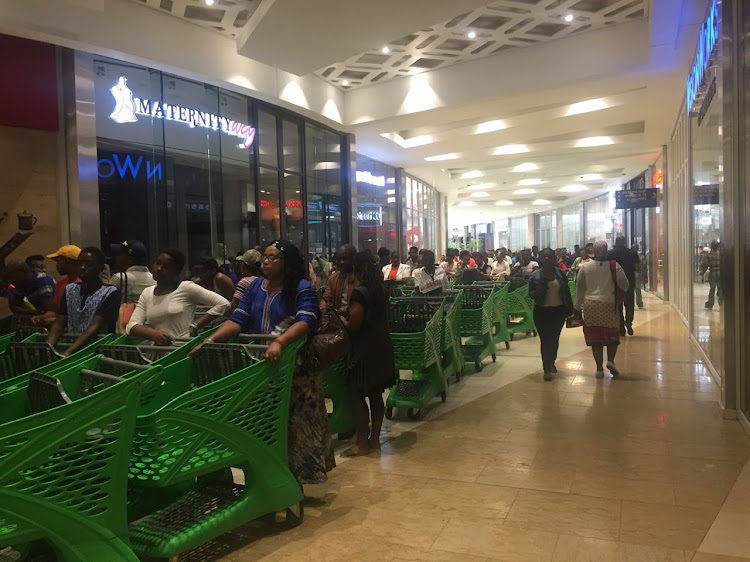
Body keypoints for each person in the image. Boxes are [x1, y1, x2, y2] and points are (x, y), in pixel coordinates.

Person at [189, 240, 333, 485]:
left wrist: (280, 342)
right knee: (267, 423)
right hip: (260, 367)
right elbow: (238, 319)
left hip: (294, 368)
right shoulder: (255, 286)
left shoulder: (301, 288)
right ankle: (271, 476)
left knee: (298, 423)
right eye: (265, 257)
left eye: (273, 258)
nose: (266, 262)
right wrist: (210, 340)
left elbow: (306, 320)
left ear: (287, 263)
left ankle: (298, 477)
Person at [342, 252, 396, 456]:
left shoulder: (359, 292)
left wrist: (343, 320)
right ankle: (374, 439)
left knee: (356, 395)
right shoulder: (379, 289)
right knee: (375, 395)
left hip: (364, 351)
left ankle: (361, 443)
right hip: (381, 347)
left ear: (357, 269)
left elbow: (355, 325)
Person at [127, 248, 229, 344]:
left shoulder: (186, 288)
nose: (159, 268)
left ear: (177, 271)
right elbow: (131, 326)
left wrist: (196, 325)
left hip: (182, 351)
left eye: (166, 267)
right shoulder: (147, 293)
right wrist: (152, 334)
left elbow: (223, 304)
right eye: (158, 263)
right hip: (159, 353)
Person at [46, 247, 120, 356]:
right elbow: (59, 323)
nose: (82, 267)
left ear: (100, 268)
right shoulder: (70, 289)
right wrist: (47, 349)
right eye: (79, 263)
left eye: (88, 264)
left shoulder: (110, 292)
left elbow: (95, 325)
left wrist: (69, 352)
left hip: (96, 352)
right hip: (72, 347)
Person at [574, 241, 629, 379]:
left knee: (595, 337)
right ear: (607, 250)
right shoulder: (615, 266)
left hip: (590, 305)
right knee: (612, 335)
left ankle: (599, 369)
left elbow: (579, 290)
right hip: (608, 304)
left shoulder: (584, 267)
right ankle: (610, 361)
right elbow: (625, 285)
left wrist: (576, 308)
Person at [529, 248, 573, 381]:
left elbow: (566, 291)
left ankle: (552, 360)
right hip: (541, 311)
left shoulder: (560, 273)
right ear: (540, 259)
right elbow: (530, 294)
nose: (547, 259)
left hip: (558, 311)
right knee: (545, 340)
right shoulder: (535, 276)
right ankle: (546, 368)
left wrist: (571, 308)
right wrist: (538, 291)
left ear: (554, 258)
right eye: (544, 257)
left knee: (554, 339)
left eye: (549, 257)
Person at [607, 236, 640, 335]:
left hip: (615, 282)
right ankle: (628, 322)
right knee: (629, 303)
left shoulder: (610, 254)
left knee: (618, 304)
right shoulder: (632, 253)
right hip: (629, 280)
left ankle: (621, 327)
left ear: (616, 242)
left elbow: (607, 268)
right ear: (625, 242)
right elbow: (637, 268)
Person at [110, 240, 156, 305]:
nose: (117, 257)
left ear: (130, 259)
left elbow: (108, 303)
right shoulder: (154, 279)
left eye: (120, 254)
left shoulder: (119, 278)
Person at [322, 244, 358, 314]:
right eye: (338, 259)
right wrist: (322, 310)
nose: (341, 262)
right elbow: (326, 298)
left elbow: (360, 304)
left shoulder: (360, 277)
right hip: (338, 319)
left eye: (345, 259)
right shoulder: (333, 278)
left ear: (353, 259)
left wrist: (342, 310)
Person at [702, 241, 721, 309]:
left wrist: (703, 273)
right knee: (720, 288)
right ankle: (721, 302)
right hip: (720, 273)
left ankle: (710, 303)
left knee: (712, 289)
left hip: (712, 273)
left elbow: (705, 264)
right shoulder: (721, 254)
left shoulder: (709, 255)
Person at [631, 243, 644, 309]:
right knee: (638, 289)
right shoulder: (641, 256)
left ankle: (632, 304)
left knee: (632, 289)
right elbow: (643, 267)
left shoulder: (629, 256)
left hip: (631, 273)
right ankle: (639, 303)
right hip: (637, 273)